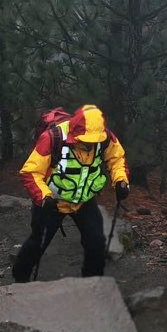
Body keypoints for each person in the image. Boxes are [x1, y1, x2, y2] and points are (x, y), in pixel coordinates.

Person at [13, 104, 130, 282]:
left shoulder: (104, 137)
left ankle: (92, 282)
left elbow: (117, 159)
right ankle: (20, 279)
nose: (91, 144)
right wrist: (44, 197)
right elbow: (30, 172)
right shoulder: (53, 138)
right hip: (52, 201)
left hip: (83, 200)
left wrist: (121, 180)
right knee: (38, 242)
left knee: (96, 241)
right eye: (86, 140)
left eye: (94, 141)